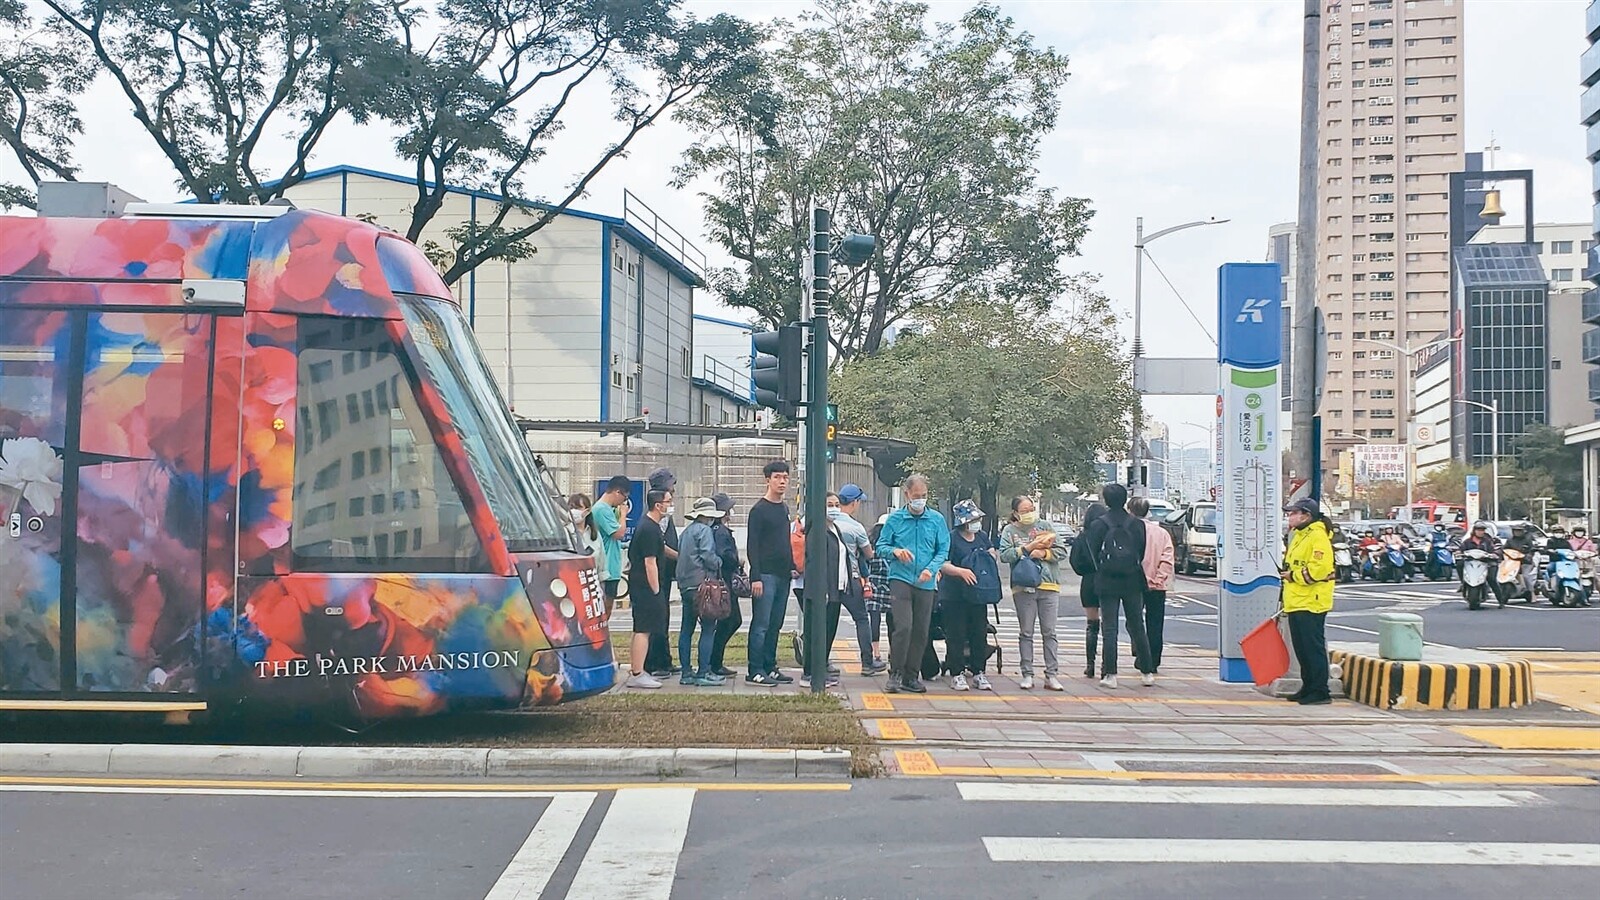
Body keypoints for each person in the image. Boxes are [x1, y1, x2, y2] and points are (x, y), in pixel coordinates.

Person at [875, 473, 949, 694]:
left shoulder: (936, 520)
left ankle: (911, 675)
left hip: (926, 582)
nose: (920, 500)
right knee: (903, 627)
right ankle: (895, 673)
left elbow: (943, 549)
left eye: (924, 495)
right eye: (916, 495)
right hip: (901, 578)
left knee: (920, 631)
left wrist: (931, 569)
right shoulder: (895, 519)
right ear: (907, 494)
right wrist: (896, 551)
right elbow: (881, 546)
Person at [1081, 484, 1154, 689]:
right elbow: (1141, 551)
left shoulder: (1098, 524)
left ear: (1106, 500)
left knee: (1109, 627)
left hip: (1107, 580)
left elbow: (1093, 552)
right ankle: (1147, 672)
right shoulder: (1137, 524)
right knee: (1137, 626)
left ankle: (1110, 674)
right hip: (1132, 580)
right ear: (1125, 500)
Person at [1000, 495, 1067, 691]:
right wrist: (1027, 548)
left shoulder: (1046, 526)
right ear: (1015, 513)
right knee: (1026, 632)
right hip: (1023, 587)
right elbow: (1005, 555)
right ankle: (1027, 673)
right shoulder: (1009, 531)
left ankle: (1051, 674)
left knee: (1050, 632)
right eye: (1024, 511)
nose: (1029, 513)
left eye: (1031, 509)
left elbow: (1062, 551)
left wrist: (1044, 553)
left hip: (1049, 586)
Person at [940, 500, 1001, 691]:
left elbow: (991, 554)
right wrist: (960, 571)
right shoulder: (951, 538)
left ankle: (978, 672)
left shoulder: (982, 537)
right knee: (955, 634)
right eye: (973, 519)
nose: (977, 522)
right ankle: (956, 673)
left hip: (978, 594)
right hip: (954, 595)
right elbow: (943, 563)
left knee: (978, 633)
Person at [746, 460, 797, 686]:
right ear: (768, 480)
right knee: (761, 624)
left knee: (776, 623)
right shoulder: (758, 510)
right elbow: (752, 545)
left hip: (783, 575)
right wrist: (755, 576)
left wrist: (792, 565)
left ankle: (770, 665)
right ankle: (754, 669)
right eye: (777, 477)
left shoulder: (784, 508)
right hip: (764, 575)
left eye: (785, 477)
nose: (782, 481)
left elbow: (784, 542)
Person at [1281, 497, 1336, 705]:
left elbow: (1319, 568)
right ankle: (1308, 686)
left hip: (1311, 601)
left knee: (1313, 648)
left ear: (1306, 515)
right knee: (1302, 649)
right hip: (1296, 600)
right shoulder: (1299, 535)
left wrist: (1292, 576)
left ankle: (1320, 690)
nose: (1290, 516)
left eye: (1294, 513)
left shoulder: (1317, 536)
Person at [826, 486, 885, 676]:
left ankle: (822, 661)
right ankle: (867, 663)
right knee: (861, 618)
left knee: (827, 622)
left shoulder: (824, 522)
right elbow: (868, 554)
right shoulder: (856, 527)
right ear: (855, 503)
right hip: (850, 579)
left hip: (827, 580)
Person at [624, 488, 673, 689]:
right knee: (643, 630)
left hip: (642, 586)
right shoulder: (649, 528)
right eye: (668, 501)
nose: (670, 505)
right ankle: (637, 673)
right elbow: (650, 562)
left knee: (643, 629)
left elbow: (661, 550)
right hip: (645, 588)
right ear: (658, 505)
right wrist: (656, 591)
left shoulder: (650, 527)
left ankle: (638, 668)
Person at [676, 497, 727, 686]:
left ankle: (686, 672)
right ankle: (704, 671)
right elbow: (708, 556)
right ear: (708, 516)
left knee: (686, 629)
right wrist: (719, 562)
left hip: (685, 586)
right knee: (707, 628)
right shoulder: (705, 531)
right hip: (703, 586)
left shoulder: (686, 532)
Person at [1130, 497, 1175, 675]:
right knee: (1155, 624)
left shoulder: (1129, 531)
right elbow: (1167, 558)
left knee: (1134, 622)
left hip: (1133, 584)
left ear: (1130, 511)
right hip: (1157, 586)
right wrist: (1158, 578)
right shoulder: (1161, 533)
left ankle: (1141, 654)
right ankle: (1153, 661)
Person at [645, 468, 681, 677]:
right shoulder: (656, 517)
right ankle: (655, 662)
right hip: (658, 574)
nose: (673, 489)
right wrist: (679, 556)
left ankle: (664, 660)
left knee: (664, 617)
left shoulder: (665, 514)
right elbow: (660, 546)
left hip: (665, 573)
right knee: (657, 618)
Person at [1069, 503, 1109, 679]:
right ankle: (1107, 665)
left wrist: (1086, 571)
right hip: (1108, 580)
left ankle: (1090, 665)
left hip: (1089, 582)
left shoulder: (1082, 537)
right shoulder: (1109, 534)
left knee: (1092, 625)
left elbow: (1075, 562)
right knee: (1109, 625)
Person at [707, 492, 744, 677]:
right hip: (725, 582)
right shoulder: (720, 531)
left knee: (727, 621)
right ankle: (715, 661)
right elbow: (724, 554)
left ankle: (715, 660)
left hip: (722, 581)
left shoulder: (714, 529)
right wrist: (737, 561)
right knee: (732, 620)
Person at [591, 476, 632, 617]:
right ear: (617, 492)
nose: (624, 502)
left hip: (612, 565)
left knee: (608, 606)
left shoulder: (608, 509)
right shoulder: (602, 509)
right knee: (605, 607)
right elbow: (619, 533)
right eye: (624, 498)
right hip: (606, 566)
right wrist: (623, 515)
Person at [866, 515, 893, 669]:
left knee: (874, 620)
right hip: (890, 585)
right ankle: (893, 650)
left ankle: (876, 652)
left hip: (874, 585)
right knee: (893, 621)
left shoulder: (871, 545)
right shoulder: (892, 545)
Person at [1458, 520, 1504, 607]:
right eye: (1478, 529)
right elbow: (1461, 549)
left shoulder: (1488, 541)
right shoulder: (1467, 541)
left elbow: (1495, 550)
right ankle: (1463, 582)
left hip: (1486, 563)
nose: (1480, 532)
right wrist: (1458, 552)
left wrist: (1494, 554)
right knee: (1459, 564)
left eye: (1482, 530)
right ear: (1474, 530)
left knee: (1491, 579)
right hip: (1471, 563)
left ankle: (1500, 600)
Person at [569, 493, 604, 561]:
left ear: (587, 511)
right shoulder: (564, 533)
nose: (573, 511)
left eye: (577, 508)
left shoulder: (595, 535)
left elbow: (602, 567)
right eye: (571, 508)